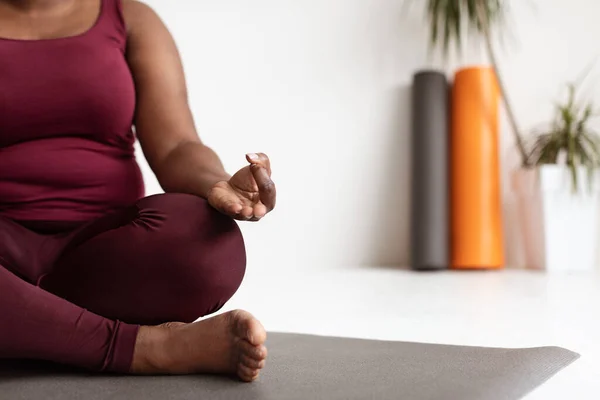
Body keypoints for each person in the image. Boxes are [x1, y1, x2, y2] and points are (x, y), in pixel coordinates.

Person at [0, 0, 276, 382]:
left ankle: (30, 324)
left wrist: (217, 183)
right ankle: (150, 349)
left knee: (209, 244)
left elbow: (176, 145)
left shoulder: (129, 17)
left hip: (105, 255)